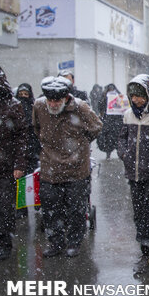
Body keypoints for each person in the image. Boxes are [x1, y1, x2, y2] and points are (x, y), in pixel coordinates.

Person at [33, 76, 103, 257]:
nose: (53, 104)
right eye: (50, 100)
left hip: (76, 170)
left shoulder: (80, 108)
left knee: (76, 209)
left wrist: (81, 144)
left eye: (57, 100)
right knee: (50, 209)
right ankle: (55, 242)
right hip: (50, 168)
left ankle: (74, 242)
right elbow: (36, 128)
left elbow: (96, 127)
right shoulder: (39, 106)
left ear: (66, 98)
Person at [117, 74, 149, 274]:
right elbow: (121, 138)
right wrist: (125, 154)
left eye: (140, 95)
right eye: (133, 96)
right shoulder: (128, 115)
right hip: (133, 174)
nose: (136, 100)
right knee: (139, 214)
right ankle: (145, 252)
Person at [0, 65, 27, 261]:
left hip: (5, 166)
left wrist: (19, 164)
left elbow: (21, 137)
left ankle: (4, 245)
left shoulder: (13, 106)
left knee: (6, 209)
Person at [14, 83, 42, 219]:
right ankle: (22, 206)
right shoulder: (14, 109)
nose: (23, 97)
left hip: (32, 149)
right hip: (20, 151)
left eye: (26, 94)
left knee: (33, 177)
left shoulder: (34, 107)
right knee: (20, 180)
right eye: (21, 95)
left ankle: (36, 201)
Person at [97, 83, 124, 159]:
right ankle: (108, 153)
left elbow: (123, 105)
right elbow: (100, 106)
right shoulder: (104, 97)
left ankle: (119, 153)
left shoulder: (118, 96)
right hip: (108, 120)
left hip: (117, 120)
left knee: (118, 138)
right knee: (108, 138)